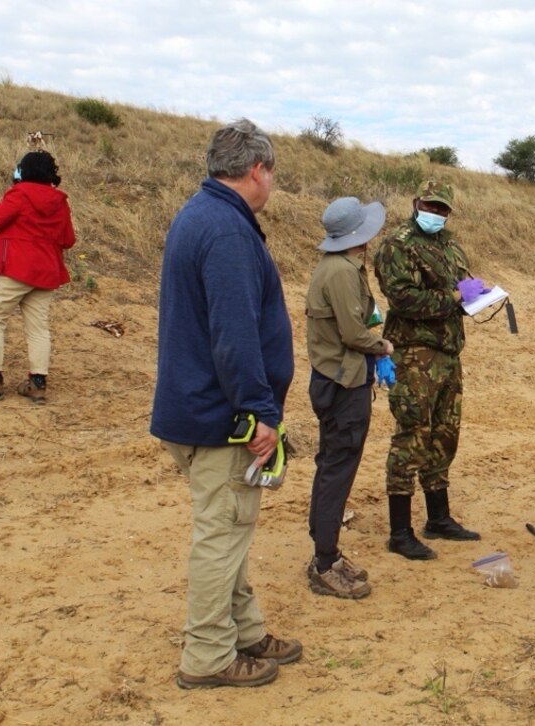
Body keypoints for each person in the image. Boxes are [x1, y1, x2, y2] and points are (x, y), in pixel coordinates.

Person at [151, 119, 301, 689]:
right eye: (273, 174)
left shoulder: (200, 215)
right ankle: (210, 657)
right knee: (223, 533)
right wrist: (261, 413)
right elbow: (234, 335)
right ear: (258, 169)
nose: (272, 185)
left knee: (230, 527)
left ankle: (244, 630)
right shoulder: (230, 232)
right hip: (222, 419)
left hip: (195, 409)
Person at [373, 180, 490, 560]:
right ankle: (400, 531)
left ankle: (438, 518)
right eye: (430, 206)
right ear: (415, 203)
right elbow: (403, 299)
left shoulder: (450, 245)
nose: (436, 214)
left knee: (444, 435)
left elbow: (459, 288)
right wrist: (455, 297)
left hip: (447, 353)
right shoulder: (398, 245)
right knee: (412, 436)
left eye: (442, 209)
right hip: (413, 355)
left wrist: (476, 293)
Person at [304, 196, 395, 599]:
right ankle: (325, 563)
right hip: (342, 383)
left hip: (339, 378)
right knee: (337, 468)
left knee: (333, 465)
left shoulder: (342, 268)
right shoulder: (341, 272)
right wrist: (385, 348)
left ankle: (328, 553)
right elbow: (353, 334)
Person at [0, 151, 75, 404]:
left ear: (24, 170)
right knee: (38, 329)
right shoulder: (60, 201)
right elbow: (69, 240)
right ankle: (37, 384)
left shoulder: (20, 193)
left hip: (14, 268)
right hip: (45, 272)